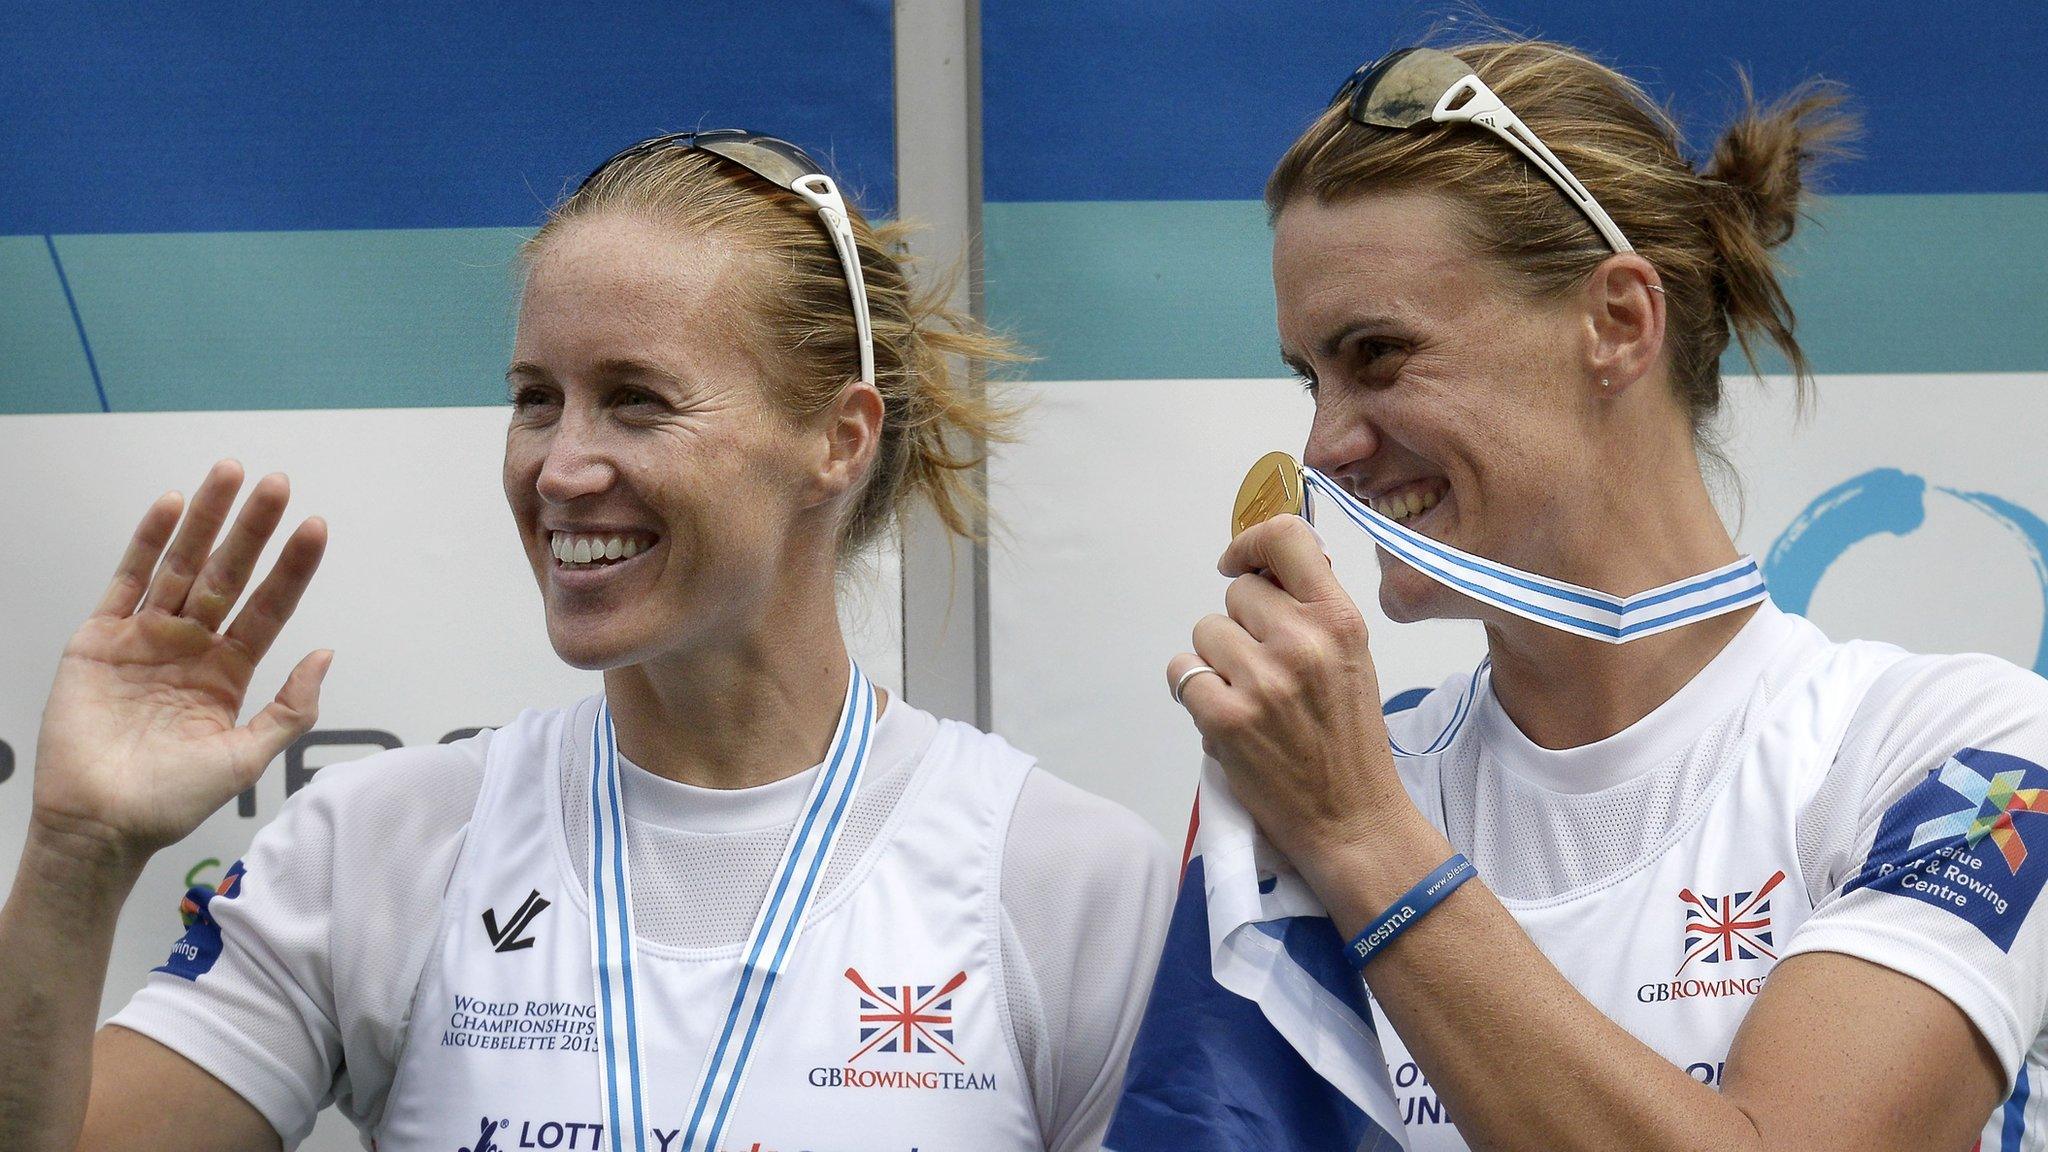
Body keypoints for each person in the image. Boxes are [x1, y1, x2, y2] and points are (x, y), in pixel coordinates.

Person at [1, 130, 1174, 1152]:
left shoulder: (1061, 881)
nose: (559, 468)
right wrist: (73, 852)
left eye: (635, 400)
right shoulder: (380, 850)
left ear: (836, 438)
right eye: (533, 399)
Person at [1167, 37, 2048, 1151]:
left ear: (1618, 323)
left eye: (1378, 355)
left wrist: (1359, 837)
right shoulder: (1321, 778)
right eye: (1310, 376)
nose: (1324, 445)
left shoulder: (1970, 755)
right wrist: (1337, 807)